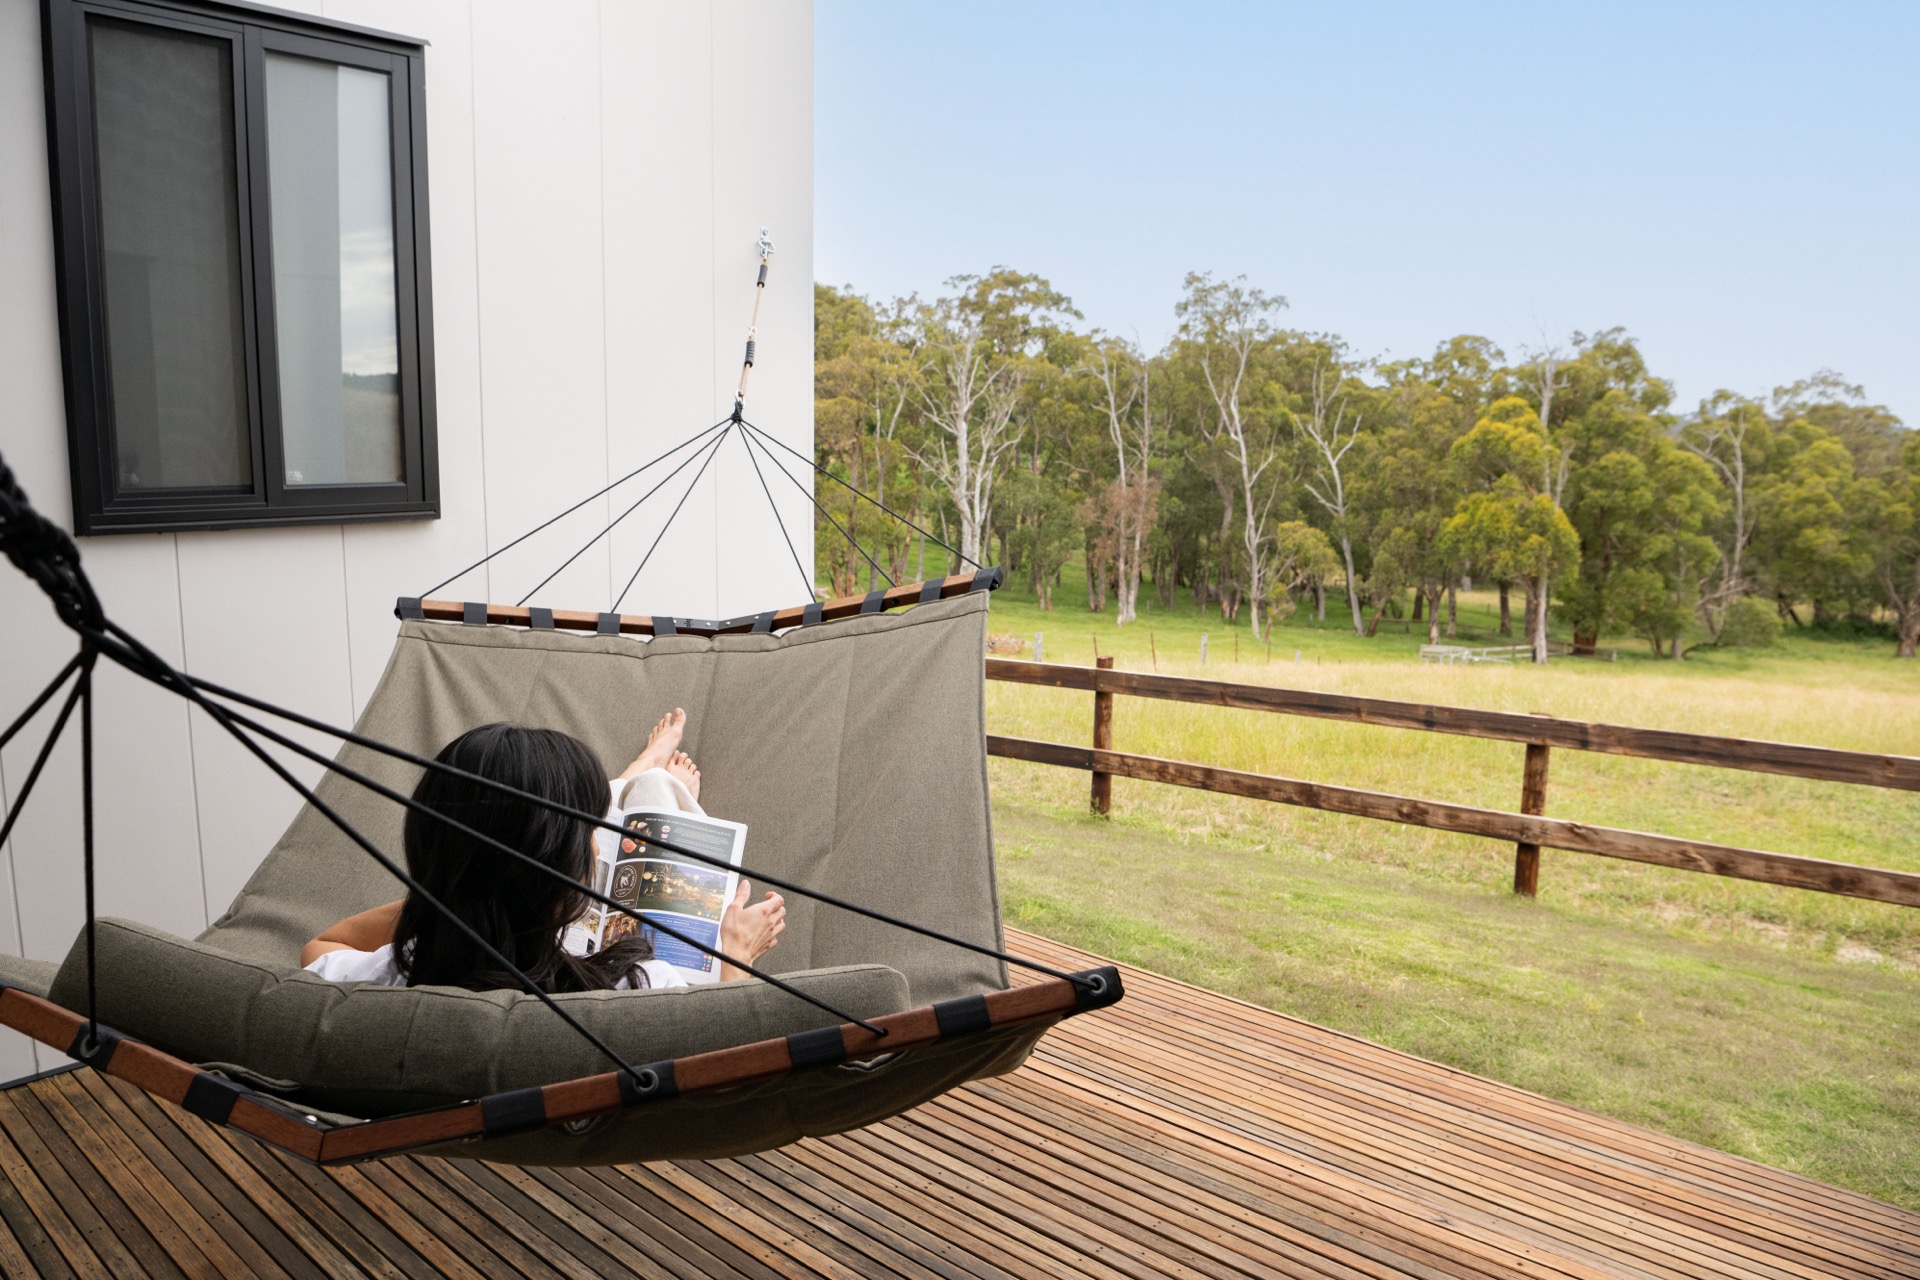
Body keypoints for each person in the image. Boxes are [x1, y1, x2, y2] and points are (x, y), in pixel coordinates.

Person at [300, 715, 784, 991]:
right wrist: (738, 954)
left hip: (490, 906)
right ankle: (649, 784)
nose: (594, 844)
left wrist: (446, 897)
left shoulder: (394, 973)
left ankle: (635, 777)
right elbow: (720, 1048)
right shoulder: (637, 985)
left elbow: (318, 948)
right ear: (550, 882)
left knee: (567, 807)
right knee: (656, 800)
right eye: (588, 831)